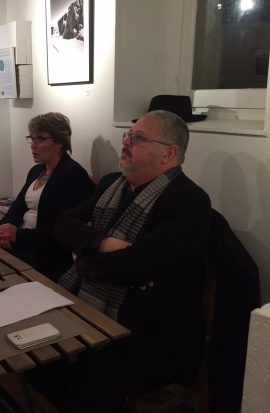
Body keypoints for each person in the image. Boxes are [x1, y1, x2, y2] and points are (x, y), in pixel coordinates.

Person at [48, 110, 212, 411]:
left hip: (152, 331)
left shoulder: (189, 201)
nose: (125, 142)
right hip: (101, 304)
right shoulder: (112, 184)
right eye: (128, 135)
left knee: (87, 377)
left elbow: (137, 266)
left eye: (138, 138)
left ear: (169, 153)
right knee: (40, 358)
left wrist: (82, 258)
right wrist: (103, 243)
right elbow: (64, 224)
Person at [0, 112, 95, 281]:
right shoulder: (37, 171)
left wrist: (17, 235)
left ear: (59, 142)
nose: (33, 146)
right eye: (32, 138)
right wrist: (4, 229)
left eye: (40, 139)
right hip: (20, 239)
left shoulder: (72, 175)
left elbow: (61, 230)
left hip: (42, 251)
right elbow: (17, 207)